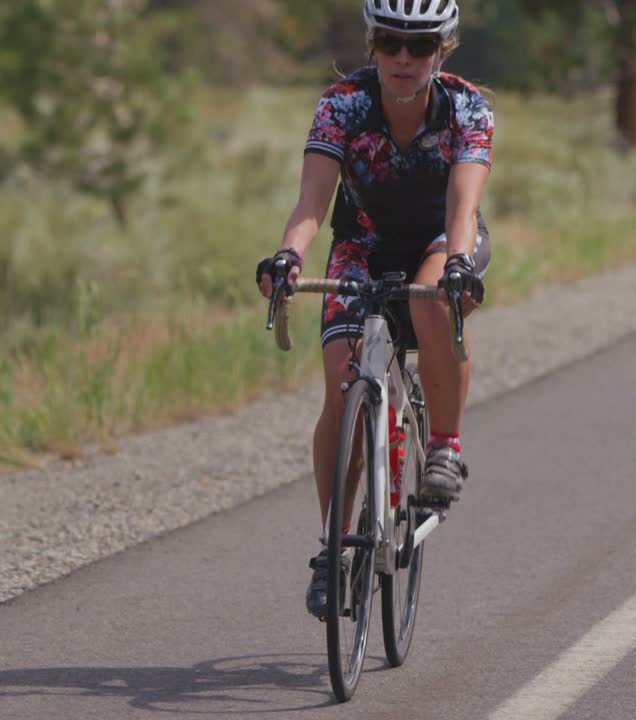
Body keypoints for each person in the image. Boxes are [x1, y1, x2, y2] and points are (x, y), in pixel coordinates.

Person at [255, 0, 493, 620]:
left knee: (433, 307)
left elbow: (463, 208)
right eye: (390, 43)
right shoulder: (343, 104)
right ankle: (334, 548)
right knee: (342, 382)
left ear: (443, 49)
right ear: (372, 46)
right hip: (362, 242)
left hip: (444, 241)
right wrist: (288, 255)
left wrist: (458, 265)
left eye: (420, 45)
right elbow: (312, 203)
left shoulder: (467, 107)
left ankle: (443, 446)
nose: (404, 58)